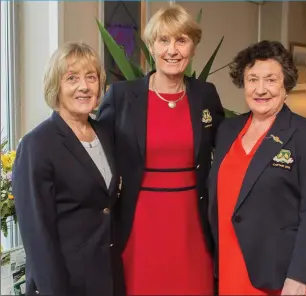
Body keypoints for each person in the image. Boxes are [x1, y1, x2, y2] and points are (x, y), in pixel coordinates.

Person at [96, 4, 224, 295]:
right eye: (163, 40)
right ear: (151, 47)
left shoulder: (206, 95)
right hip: (140, 226)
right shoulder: (121, 97)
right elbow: (95, 154)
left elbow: (228, 148)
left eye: (182, 40)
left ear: (193, 46)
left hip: (193, 227)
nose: (172, 50)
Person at [208, 40, 306, 295]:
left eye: (271, 79)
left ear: (286, 85)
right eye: (252, 79)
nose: (260, 89)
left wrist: (299, 275)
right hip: (229, 265)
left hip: (278, 273)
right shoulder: (227, 130)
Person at [12, 42, 125, 296]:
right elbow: (37, 235)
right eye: (72, 78)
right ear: (56, 87)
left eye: (91, 77)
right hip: (66, 283)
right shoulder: (37, 145)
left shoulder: (105, 133)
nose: (84, 86)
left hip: (109, 278)